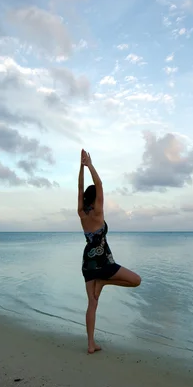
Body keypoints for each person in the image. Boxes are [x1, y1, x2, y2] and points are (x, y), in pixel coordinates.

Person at [77, 149, 141, 354]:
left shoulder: (82, 213)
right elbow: (100, 185)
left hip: (88, 262)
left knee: (92, 303)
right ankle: (105, 281)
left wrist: (81, 167)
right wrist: (89, 165)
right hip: (104, 262)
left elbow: (80, 188)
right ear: (96, 199)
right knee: (136, 280)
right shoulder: (98, 212)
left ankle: (90, 344)